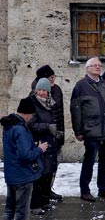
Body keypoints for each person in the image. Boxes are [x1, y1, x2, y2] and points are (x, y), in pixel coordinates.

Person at [2, 97, 47, 220]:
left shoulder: (9, 125)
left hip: (11, 173)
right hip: (23, 176)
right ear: (27, 114)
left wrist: (31, 146)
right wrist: (40, 149)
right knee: (21, 212)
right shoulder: (20, 129)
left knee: (9, 211)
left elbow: (15, 150)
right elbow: (25, 155)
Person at [70, 58, 105, 202]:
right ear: (87, 68)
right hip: (92, 130)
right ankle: (85, 190)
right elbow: (76, 110)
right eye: (94, 65)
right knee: (89, 161)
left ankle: (103, 189)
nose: (98, 67)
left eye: (99, 65)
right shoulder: (81, 86)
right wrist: (78, 131)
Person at [30, 64, 64, 202]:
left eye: (53, 77)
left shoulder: (55, 94)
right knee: (41, 170)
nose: (52, 79)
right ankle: (37, 199)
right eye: (49, 77)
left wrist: (60, 131)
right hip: (41, 139)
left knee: (51, 167)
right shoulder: (34, 99)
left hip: (54, 135)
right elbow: (31, 123)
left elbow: (59, 114)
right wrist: (48, 127)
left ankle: (46, 193)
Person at [27, 78, 60, 215]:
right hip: (39, 144)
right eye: (40, 90)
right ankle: (35, 205)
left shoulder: (50, 104)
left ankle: (45, 202)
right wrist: (47, 127)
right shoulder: (32, 104)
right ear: (36, 90)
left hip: (50, 144)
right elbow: (30, 124)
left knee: (48, 174)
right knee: (39, 176)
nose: (42, 93)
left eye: (45, 90)